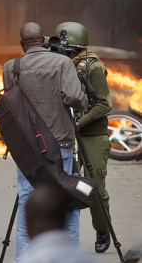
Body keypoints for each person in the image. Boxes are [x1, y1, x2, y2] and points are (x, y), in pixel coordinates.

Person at [2, 22, 88, 261]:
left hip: (26, 148)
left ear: (22, 43)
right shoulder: (62, 63)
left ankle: (25, 257)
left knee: (28, 201)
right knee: (67, 200)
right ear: (44, 39)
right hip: (58, 144)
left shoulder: (11, 67)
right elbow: (73, 97)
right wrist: (84, 100)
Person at [54, 21, 113, 253]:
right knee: (60, 187)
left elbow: (104, 103)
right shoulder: (59, 65)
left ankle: (102, 229)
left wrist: (80, 122)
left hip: (92, 134)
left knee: (94, 187)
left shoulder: (92, 67)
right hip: (63, 132)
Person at [17, 182, 105, 263]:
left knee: (26, 193)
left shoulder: (29, 260)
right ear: (64, 219)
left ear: (28, 225)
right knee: (66, 188)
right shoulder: (89, 259)